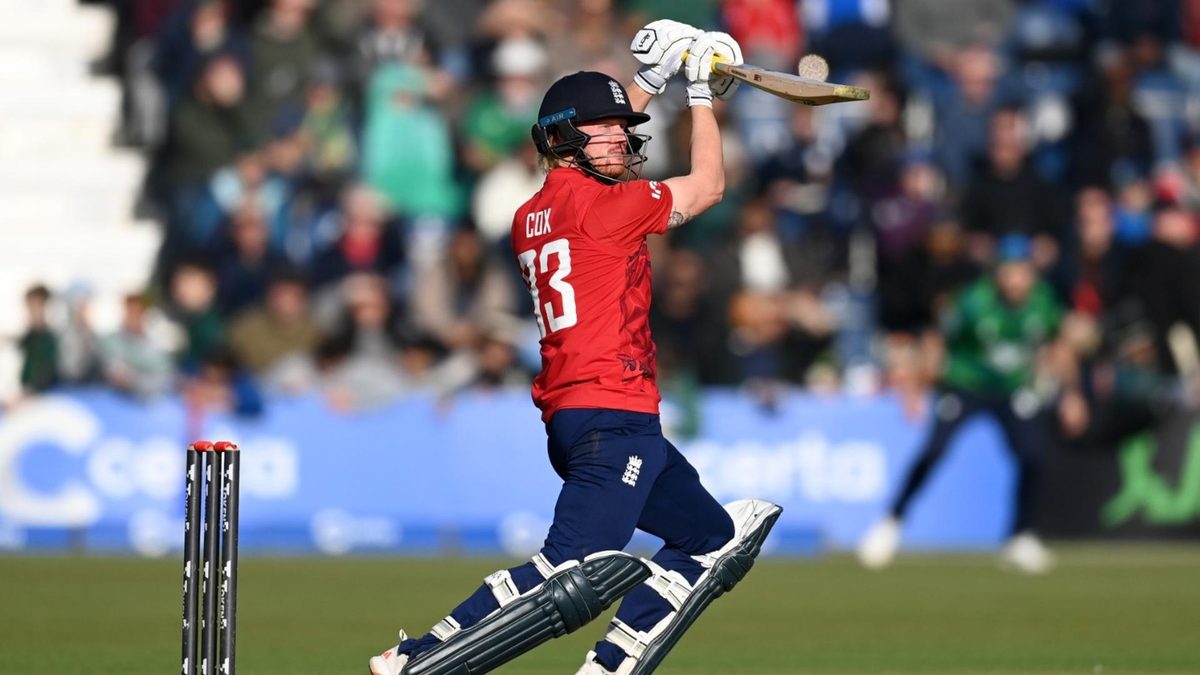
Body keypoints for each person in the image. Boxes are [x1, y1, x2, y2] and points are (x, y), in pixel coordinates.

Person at [368, 21, 782, 675]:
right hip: (614, 415)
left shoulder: (530, 214)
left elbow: (589, 145)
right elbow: (708, 186)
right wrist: (701, 91)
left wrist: (647, 82)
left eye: (625, 125)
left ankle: (615, 659)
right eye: (607, 128)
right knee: (570, 566)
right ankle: (417, 655)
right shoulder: (610, 208)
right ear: (564, 137)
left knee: (708, 537)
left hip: (584, 418)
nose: (623, 135)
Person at [857, 233, 1077, 575]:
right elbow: (936, 338)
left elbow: (1058, 344)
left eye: (1022, 271)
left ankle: (1021, 537)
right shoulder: (973, 301)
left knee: (1034, 456)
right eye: (1009, 271)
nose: (1016, 280)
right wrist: (916, 389)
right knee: (934, 451)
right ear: (998, 273)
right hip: (965, 383)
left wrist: (1071, 394)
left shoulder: (1043, 302)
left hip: (1012, 387)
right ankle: (891, 522)